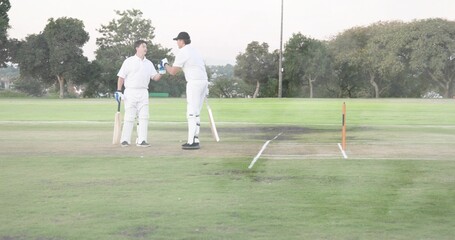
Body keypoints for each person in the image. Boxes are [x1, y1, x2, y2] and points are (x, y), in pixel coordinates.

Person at [162, 32, 208, 150]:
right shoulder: (194, 51)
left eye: (178, 40)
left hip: (194, 83)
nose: (177, 42)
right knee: (196, 112)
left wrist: (165, 64)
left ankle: (192, 141)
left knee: (191, 112)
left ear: (182, 41)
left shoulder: (183, 51)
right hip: (203, 82)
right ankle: (195, 139)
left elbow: (172, 71)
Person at [114, 40, 162, 147]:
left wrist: (161, 72)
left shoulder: (148, 63)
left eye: (146, 47)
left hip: (143, 91)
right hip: (130, 91)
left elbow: (155, 77)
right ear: (137, 48)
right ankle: (125, 140)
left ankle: (142, 140)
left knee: (144, 117)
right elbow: (121, 77)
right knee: (129, 117)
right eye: (143, 46)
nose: (145, 48)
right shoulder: (128, 61)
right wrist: (118, 90)